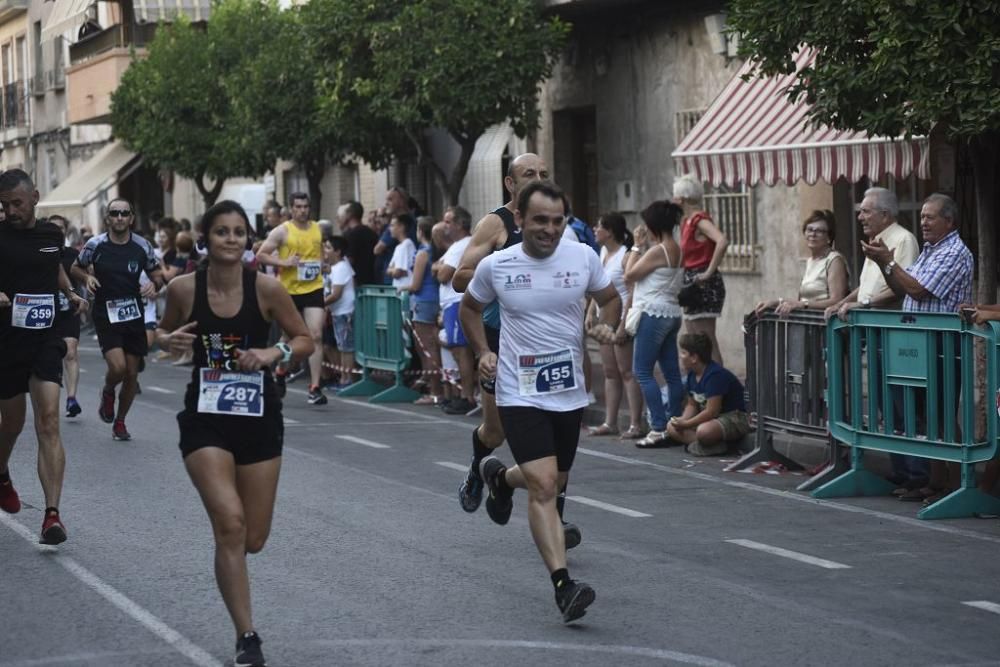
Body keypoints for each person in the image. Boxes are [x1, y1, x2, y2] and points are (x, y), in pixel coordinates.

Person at [156, 200, 313, 667]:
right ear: (205, 238)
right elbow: (160, 335)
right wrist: (165, 341)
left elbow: (304, 339)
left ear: (248, 239)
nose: (230, 239)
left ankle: (233, 569)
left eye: (239, 232)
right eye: (221, 231)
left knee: (254, 538)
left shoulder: (266, 289)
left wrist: (273, 353)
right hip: (205, 418)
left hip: (259, 416)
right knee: (230, 523)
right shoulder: (184, 289)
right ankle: (248, 636)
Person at [459, 180, 620, 623]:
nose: (549, 230)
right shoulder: (498, 265)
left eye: (557, 221)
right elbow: (469, 309)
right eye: (539, 221)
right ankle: (563, 586)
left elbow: (610, 299)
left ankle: (500, 479)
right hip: (518, 390)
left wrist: (607, 323)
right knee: (546, 486)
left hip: (568, 393)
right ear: (522, 221)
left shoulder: (583, 257)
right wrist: (483, 352)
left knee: (555, 480)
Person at [452, 153, 583, 549]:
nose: (538, 179)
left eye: (544, 173)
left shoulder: (557, 225)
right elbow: (459, 278)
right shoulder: (496, 224)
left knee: (559, 433)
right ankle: (482, 469)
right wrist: (507, 268)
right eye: (529, 174)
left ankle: (555, 520)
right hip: (501, 343)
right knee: (496, 431)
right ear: (511, 184)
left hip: (550, 349)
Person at [862, 193, 973, 504]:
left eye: (930, 217)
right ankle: (936, 482)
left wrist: (889, 261)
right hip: (918, 341)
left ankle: (956, 483)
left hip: (942, 343)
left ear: (949, 221)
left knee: (943, 414)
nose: (923, 222)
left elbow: (920, 290)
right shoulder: (930, 250)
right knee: (927, 415)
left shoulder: (955, 252)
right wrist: (886, 266)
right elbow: (903, 286)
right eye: (922, 216)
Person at [0, 169, 88, 543]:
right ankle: (2, 473)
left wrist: (69, 294)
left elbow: (54, 270)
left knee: (48, 421)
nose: (10, 211)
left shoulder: (52, 235)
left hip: (44, 338)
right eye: (4, 206)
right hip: (6, 340)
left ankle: (52, 515)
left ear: (35, 197)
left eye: (16, 204)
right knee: (12, 424)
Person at [73, 198, 163, 441]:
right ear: (108, 218)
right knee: (118, 368)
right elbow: (75, 268)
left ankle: (120, 422)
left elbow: (157, 273)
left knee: (132, 374)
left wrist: (154, 285)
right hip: (105, 312)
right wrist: (86, 279)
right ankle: (108, 390)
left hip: (133, 312)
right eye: (115, 213)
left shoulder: (142, 246)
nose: (120, 218)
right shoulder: (95, 244)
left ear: (131, 218)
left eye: (125, 213)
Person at [620, 201, 686, 448]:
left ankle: (658, 427)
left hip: (653, 314)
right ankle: (674, 424)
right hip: (671, 314)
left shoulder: (658, 250)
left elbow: (628, 274)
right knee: (671, 372)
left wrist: (636, 245)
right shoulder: (677, 248)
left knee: (643, 372)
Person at [254, 192, 328, 406]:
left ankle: (315, 387)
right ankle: (280, 370)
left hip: (314, 287)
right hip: (290, 291)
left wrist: (324, 264)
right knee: (289, 338)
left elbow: (320, 250)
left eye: (306, 206)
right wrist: (285, 263)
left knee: (315, 335)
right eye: (298, 206)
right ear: (291, 209)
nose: (303, 210)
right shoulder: (282, 231)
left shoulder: (317, 228)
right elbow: (261, 254)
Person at [586, 212, 643, 438]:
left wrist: (622, 324)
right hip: (604, 320)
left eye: (598, 226)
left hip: (620, 320)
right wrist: (591, 311)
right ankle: (610, 422)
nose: (594, 229)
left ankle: (636, 424)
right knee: (610, 372)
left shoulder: (625, 255)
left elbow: (631, 292)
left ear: (609, 231)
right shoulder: (601, 253)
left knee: (626, 371)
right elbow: (597, 287)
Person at [825, 187, 920, 319]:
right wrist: (841, 304)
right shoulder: (876, 240)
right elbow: (866, 287)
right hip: (868, 323)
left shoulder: (904, 239)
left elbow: (903, 288)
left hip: (887, 326)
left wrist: (863, 304)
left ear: (885, 215)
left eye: (865, 212)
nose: (860, 217)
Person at [673, 174, 728, 364]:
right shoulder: (687, 222)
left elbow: (722, 241)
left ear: (682, 198)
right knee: (694, 340)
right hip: (692, 282)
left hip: (703, 282)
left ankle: (718, 386)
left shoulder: (699, 220)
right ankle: (701, 385)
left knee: (706, 340)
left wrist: (708, 272)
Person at [666, 333, 751, 456]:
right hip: (712, 419)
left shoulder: (714, 376)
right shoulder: (692, 375)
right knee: (671, 427)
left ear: (694, 358)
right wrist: (682, 421)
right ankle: (712, 446)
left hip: (735, 416)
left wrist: (687, 424)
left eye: (683, 353)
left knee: (704, 431)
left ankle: (708, 444)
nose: (680, 356)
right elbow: (692, 405)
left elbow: (712, 411)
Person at [754, 210, 849, 316]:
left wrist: (804, 305)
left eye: (819, 231)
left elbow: (837, 300)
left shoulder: (834, 260)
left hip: (825, 323)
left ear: (829, 237)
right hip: (808, 322)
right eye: (810, 229)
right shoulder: (810, 261)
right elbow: (803, 301)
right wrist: (776, 302)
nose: (813, 234)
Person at [436, 206, 476, 415]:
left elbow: (443, 274)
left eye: (449, 221)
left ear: (460, 224)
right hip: (453, 302)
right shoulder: (455, 246)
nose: (445, 226)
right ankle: (464, 393)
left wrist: (440, 267)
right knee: (459, 350)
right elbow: (439, 267)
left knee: (462, 351)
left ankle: (466, 396)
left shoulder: (461, 246)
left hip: (457, 301)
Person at [48, 214, 85, 418]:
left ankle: (71, 399)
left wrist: (89, 281)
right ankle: (50, 396)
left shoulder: (73, 254)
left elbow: (89, 272)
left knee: (71, 352)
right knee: (51, 356)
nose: (57, 232)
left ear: (65, 231)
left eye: (61, 228)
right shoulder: (40, 252)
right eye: (53, 228)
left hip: (69, 311)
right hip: (46, 314)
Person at [407, 217, 444, 404]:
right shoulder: (437, 251)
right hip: (434, 299)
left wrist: (402, 288)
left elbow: (415, 284)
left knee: (427, 347)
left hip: (423, 301)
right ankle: (432, 385)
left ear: (420, 231)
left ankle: (436, 392)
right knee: (430, 345)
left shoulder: (423, 253)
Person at [323, 234, 356, 389]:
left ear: (338, 251)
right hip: (338, 313)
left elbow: (336, 294)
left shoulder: (342, 267)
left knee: (346, 347)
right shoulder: (336, 267)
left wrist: (319, 303)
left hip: (345, 312)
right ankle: (343, 378)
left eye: (328, 247)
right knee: (342, 346)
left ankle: (347, 379)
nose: (325, 250)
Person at [373, 187, 415, 285]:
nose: (386, 203)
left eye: (390, 199)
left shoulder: (401, 224)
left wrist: (390, 270)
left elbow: (377, 249)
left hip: (401, 282)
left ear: (401, 201)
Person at [338, 200, 378, 287]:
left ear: (349, 214)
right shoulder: (371, 232)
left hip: (357, 283)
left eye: (344, 213)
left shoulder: (351, 235)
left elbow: (349, 261)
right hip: (372, 280)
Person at [386, 215, 416, 292]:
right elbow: (388, 270)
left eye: (392, 225)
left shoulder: (406, 245)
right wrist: (393, 270)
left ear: (401, 227)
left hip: (405, 292)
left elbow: (397, 272)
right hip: (399, 291)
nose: (390, 229)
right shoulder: (399, 247)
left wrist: (393, 270)